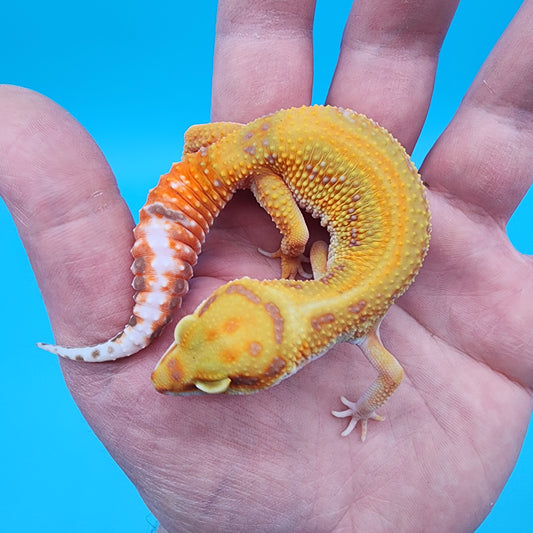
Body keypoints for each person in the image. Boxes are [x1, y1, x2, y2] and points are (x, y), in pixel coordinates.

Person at [1, 1, 532, 531]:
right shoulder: (351, 311)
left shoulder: (351, 307)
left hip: (277, 143)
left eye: (214, 383)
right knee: (277, 216)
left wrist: (294, 267)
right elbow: (378, 364)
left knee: (221, 163)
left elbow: (387, 363)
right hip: (294, 153)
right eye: (196, 340)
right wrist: (360, 400)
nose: (168, 379)